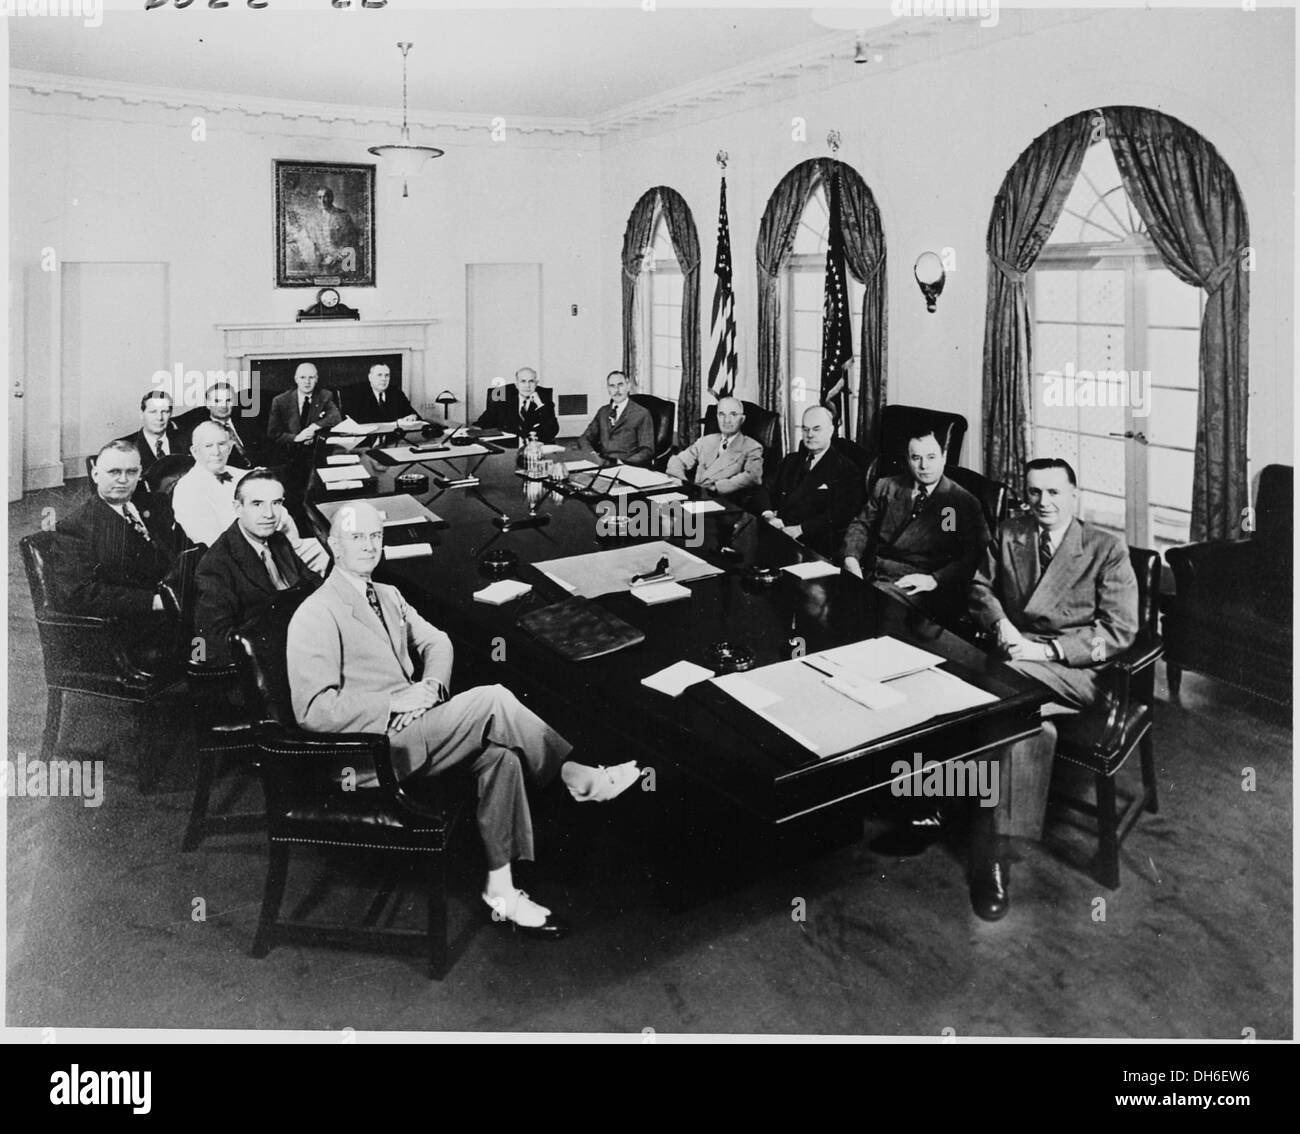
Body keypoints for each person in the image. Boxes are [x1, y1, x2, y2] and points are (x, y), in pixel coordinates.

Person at [287, 501, 640, 937]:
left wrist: (430, 689)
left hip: (416, 729)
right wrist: (395, 704)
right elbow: (313, 711)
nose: (367, 545)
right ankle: (575, 776)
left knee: (504, 758)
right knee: (492, 699)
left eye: (374, 536)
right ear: (333, 544)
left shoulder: (388, 595)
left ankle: (501, 889)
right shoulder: (316, 612)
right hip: (370, 753)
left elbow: (439, 642)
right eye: (355, 537)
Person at [967, 457, 1138, 916]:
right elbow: (980, 587)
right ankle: (997, 850)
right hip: (1015, 657)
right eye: (1035, 492)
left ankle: (969, 828)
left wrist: (1046, 653)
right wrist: (1001, 624)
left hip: (1077, 671)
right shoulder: (1011, 533)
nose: (1044, 502)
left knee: (985, 696)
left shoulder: (1106, 548)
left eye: (1055, 492)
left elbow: (1119, 632)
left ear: (1074, 495)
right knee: (1025, 726)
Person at [54, 439, 180, 667]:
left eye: (131, 472)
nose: (123, 480)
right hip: (125, 628)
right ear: (95, 474)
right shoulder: (77, 526)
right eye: (114, 472)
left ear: (140, 473)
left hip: (168, 610)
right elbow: (79, 594)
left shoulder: (154, 506)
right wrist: (154, 602)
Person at [842, 428, 989, 620]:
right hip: (871, 573)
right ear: (907, 459)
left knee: (864, 610)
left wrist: (934, 580)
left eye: (931, 457)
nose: (924, 466)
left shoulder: (956, 502)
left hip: (921, 585)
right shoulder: (887, 486)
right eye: (916, 458)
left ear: (944, 457)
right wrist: (851, 558)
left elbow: (972, 555)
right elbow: (861, 525)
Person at [193, 468, 323, 668]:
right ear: (238, 508)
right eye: (257, 504)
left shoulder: (278, 540)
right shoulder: (216, 564)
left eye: (276, 503)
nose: (269, 514)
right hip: (266, 666)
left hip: (307, 644)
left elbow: (314, 586)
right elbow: (213, 641)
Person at [172, 423, 328, 573]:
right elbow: (215, 545)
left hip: (278, 549)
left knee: (329, 548)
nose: (217, 452)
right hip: (239, 565)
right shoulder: (187, 489)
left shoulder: (241, 475)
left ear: (231, 446)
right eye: (208, 446)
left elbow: (284, 517)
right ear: (195, 451)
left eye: (222, 444)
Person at [750, 405, 861, 557]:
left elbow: (839, 515)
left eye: (816, 429)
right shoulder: (791, 460)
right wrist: (768, 515)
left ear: (830, 430)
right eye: (805, 429)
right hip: (778, 534)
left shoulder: (846, 469)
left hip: (813, 545)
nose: (809, 435)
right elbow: (765, 489)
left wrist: (799, 529)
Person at [666, 396, 764, 499]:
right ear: (717, 417)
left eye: (733, 414)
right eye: (722, 414)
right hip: (696, 498)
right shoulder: (706, 441)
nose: (727, 420)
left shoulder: (752, 447)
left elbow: (753, 477)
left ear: (742, 419)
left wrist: (716, 487)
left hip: (724, 502)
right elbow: (677, 461)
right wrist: (684, 482)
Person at [173, 382, 259, 469]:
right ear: (208, 404)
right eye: (217, 401)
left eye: (228, 400)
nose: (224, 406)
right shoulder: (202, 431)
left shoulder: (247, 422)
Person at [266, 362, 342, 456]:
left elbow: (336, 417)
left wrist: (314, 427)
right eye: (302, 377)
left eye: (311, 377)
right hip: (289, 452)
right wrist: (296, 438)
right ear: (296, 379)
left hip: (315, 451)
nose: (307, 382)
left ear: (316, 379)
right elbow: (273, 433)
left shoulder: (324, 395)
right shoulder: (280, 401)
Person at [581, 370, 654, 467]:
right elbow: (584, 438)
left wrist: (625, 463)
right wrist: (593, 456)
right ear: (608, 389)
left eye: (620, 385)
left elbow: (647, 450)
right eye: (612, 386)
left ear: (628, 386)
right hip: (602, 465)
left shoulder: (642, 413)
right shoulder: (603, 412)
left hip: (627, 467)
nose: (616, 390)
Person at [475, 367, 559, 445]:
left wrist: (540, 405)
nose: (527, 386)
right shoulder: (501, 400)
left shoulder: (544, 401)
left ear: (536, 383)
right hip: (506, 448)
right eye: (523, 381)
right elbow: (482, 423)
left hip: (534, 448)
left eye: (531, 381)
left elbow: (553, 431)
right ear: (516, 384)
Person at [299, 187, 362, 276]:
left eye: (325, 197)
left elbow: (351, 239)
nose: (322, 201)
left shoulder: (343, 216)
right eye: (319, 197)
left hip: (342, 260)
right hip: (322, 262)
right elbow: (314, 241)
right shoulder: (314, 218)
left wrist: (336, 256)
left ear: (331, 198)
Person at [343, 363, 424, 429]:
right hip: (366, 442)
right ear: (370, 377)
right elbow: (357, 423)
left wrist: (413, 416)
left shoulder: (396, 393)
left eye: (387, 375)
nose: (384, 379)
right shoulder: (357, 394)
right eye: (379, 375)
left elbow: (412, 413)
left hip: (393, 440)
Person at [120, 390, 182, 473]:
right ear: (142, 414)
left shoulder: (185, 441)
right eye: (153, 412)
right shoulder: (124, 447)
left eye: (165, 412)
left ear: (170, 414)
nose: (159, 418)